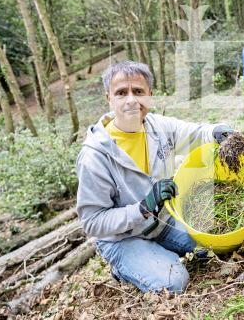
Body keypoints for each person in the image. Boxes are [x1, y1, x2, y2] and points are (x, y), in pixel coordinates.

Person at [76, 61, 233, 294]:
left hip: (164, 222)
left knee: (217, 243)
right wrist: (142, 207)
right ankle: (123, 267)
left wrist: (217, 131)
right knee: (174, 282)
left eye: (138, 91)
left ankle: (162, 253)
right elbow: (92, 221)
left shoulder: (158, 126)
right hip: (124, 239)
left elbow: (195, 134)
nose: (131, 100)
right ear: (108, 97)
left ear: (149, 95)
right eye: (121, 93)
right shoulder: (94, 156)